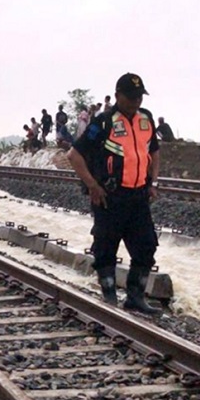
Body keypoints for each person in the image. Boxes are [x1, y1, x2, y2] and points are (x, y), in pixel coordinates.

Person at [67, 72, 162, 315]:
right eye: (130, 97)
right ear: (118, 95)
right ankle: (109, 295)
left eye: (139, 97)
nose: (135, 102)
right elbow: (74, 155)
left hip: (138, 196)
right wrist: (92, 185)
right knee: (106, 247)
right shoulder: (103, 122)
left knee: (147, 245)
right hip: (110, 197)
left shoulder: (146, 119)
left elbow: (155, 150)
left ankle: (135, 296)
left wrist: (153, 182)